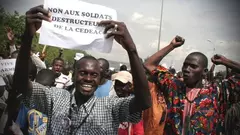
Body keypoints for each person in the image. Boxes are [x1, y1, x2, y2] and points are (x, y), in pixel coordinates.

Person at [9, 5, 151, 135]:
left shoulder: (111, 106)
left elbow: (143, 102)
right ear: (74, 73)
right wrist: (28, 36)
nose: (88, 79)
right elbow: (22, 84)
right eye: (83, 73)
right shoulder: (55, 98)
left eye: (94, 75)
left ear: (100, 78)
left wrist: (131, 50)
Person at [144, 36, 222, 135]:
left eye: (193, 66)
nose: (186, 69)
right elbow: (149, 65)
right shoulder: (174, 86)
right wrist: (171, 46)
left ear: (204, 72)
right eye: (185, 65)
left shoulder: (215, 92)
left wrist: (226, 62)